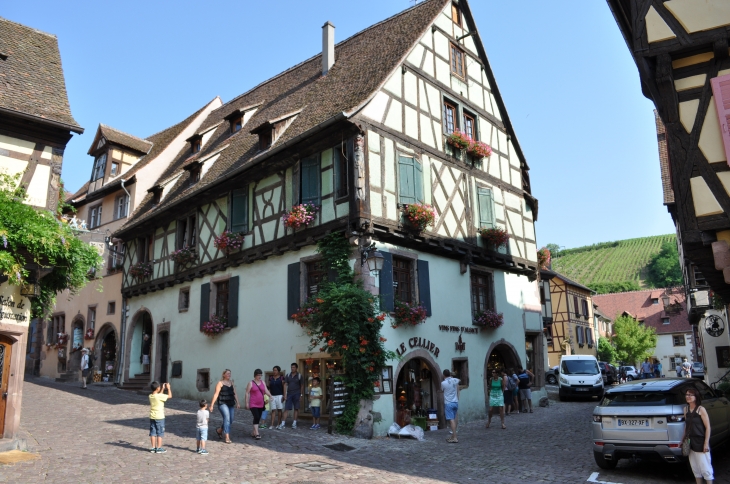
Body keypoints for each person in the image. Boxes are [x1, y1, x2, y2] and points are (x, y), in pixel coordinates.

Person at [683, 387, 714, 483]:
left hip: (700, 441)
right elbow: (686, 426)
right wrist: (682, 440)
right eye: (687, 394)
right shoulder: (686, 409)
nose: (688, 397)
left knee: (705, 467)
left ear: (696, 396)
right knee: (695, 468)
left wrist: (706, 443)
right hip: (690, 441)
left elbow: (708, 427)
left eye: (690, 395)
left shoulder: (701, 409)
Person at [209, 369, 240, 444]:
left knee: (231, 419)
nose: (229, 375)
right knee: (227, 417)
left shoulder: (231, 383)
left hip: (230, 402)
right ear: (224, 375)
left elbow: (235, 393)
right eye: (227, 373)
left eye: (230, 373)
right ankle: (227, 436)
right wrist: (212, 405)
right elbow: (216, 394)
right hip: (222, 403)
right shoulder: (220, 383)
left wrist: (238, 402)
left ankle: (219, 430)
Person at [244, 369, 272, 440]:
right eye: (258, 375)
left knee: (258, 417)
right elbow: (247, 393)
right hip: (253, 404)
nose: (259, 376)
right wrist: (246, 403)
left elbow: (265, 390)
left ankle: (253, 432)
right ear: (255, 375)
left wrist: (270, 396)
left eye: (260, 375)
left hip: (261, 403)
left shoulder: (263, 382)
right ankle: (257, 433)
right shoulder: (251, 383)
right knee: (256, 417)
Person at [149, 381, 172, 454]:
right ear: (157, 388)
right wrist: (168, 389)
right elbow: (170, 396)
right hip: (160, 417)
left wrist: (162, 389)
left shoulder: (151, 396)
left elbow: (159, 395)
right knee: (160, 432)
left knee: (153, 432)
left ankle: (153, 448)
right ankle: (159, 448)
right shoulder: (159, 396)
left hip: (152, 416)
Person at [441, 369, 460, 443]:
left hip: (448, 403)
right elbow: (459, 381)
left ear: (443, 375)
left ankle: (455, 437)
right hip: (455, 402)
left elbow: (442, 390)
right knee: (454, 419)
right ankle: (453, 436)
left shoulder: (443, 383)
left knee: (451, 420)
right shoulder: (455, 380)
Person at [284, 363, 303, 429]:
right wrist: (285, 394)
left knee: (296, 408)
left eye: (294, 367)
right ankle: (283, 422)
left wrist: (301, 394)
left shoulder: (299, 376)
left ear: (296, 368)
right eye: (291, 367)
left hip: (297, 393)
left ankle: (294, 422)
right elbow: (285, 384)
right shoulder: (288, 375)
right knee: (286, 408)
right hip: (289, 393)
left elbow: (302, 386)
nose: (292, 368)